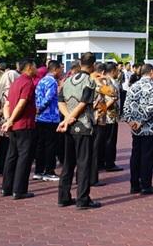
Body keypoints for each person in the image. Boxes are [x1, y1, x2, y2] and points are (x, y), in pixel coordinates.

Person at [57, 52, 100, 209]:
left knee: (68, 163)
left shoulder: (67, 80)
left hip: (68, 127)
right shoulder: (89, 81)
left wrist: (67, 118)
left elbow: (60, 101)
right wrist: (71, 118)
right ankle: (82, 199)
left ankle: (63, 197)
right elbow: (83, 103)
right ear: (93, 65)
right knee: (83, 164)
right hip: (83, 126)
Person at [123, 63, 153, 195]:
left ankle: (134, 184)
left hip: (135, 127)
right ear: (151, 72)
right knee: (147, 156)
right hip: (149, 127)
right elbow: (150, 107)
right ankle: (146, 184)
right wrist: (141, 121)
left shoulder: (133, 86)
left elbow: (126, 105)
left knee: (136, 155)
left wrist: (130, 121)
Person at [0, 59, 37, 200]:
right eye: (34, 66)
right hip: (24, 124)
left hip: (14, 125)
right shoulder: (27, 83)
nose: (35, 69)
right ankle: (19, 190)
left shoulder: (16, 82)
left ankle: (6, 187)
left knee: (12, 156)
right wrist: (11, 120)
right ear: (28, 67)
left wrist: (8, 120)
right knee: (24, 158)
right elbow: (21, 104)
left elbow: (7, 103)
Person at [33, 60, 62, 182]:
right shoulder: (52, 82)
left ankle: (38, 170)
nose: (62, 71)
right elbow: (49, 98)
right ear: (55, 69)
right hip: (50, 117)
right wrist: (41, 108)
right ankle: (49, 171)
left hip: (40, 118)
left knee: (40, 145)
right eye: (60, 68)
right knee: (50, 146)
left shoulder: (42, 80)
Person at [0, 66, 20, 175]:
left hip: (1, 120)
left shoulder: (0, 89)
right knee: (9, 145)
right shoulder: (10, 91)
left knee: (3, 144)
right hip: (8, 119)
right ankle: (5, 167)